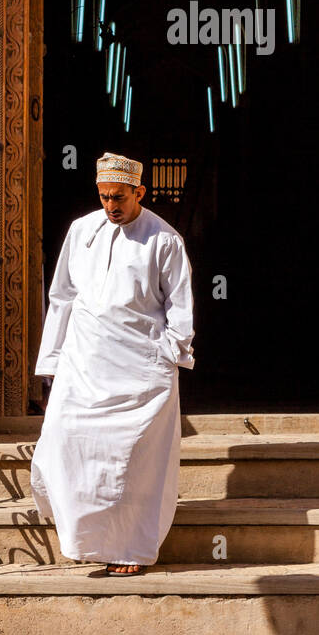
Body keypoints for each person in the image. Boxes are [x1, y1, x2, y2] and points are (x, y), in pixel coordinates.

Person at [30, 152, 195, 576]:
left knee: (134, 459)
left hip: (140, 367)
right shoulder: (81, 231)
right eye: (103, 197)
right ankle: (85, 539)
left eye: (119, 197)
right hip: (83, 362)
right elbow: (63, 297)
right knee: (63, 438)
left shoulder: (164, 239)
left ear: (139, 192)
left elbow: (180, 307)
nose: (110, 206)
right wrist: (51, 363)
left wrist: (169, 354)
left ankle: (130, 549)